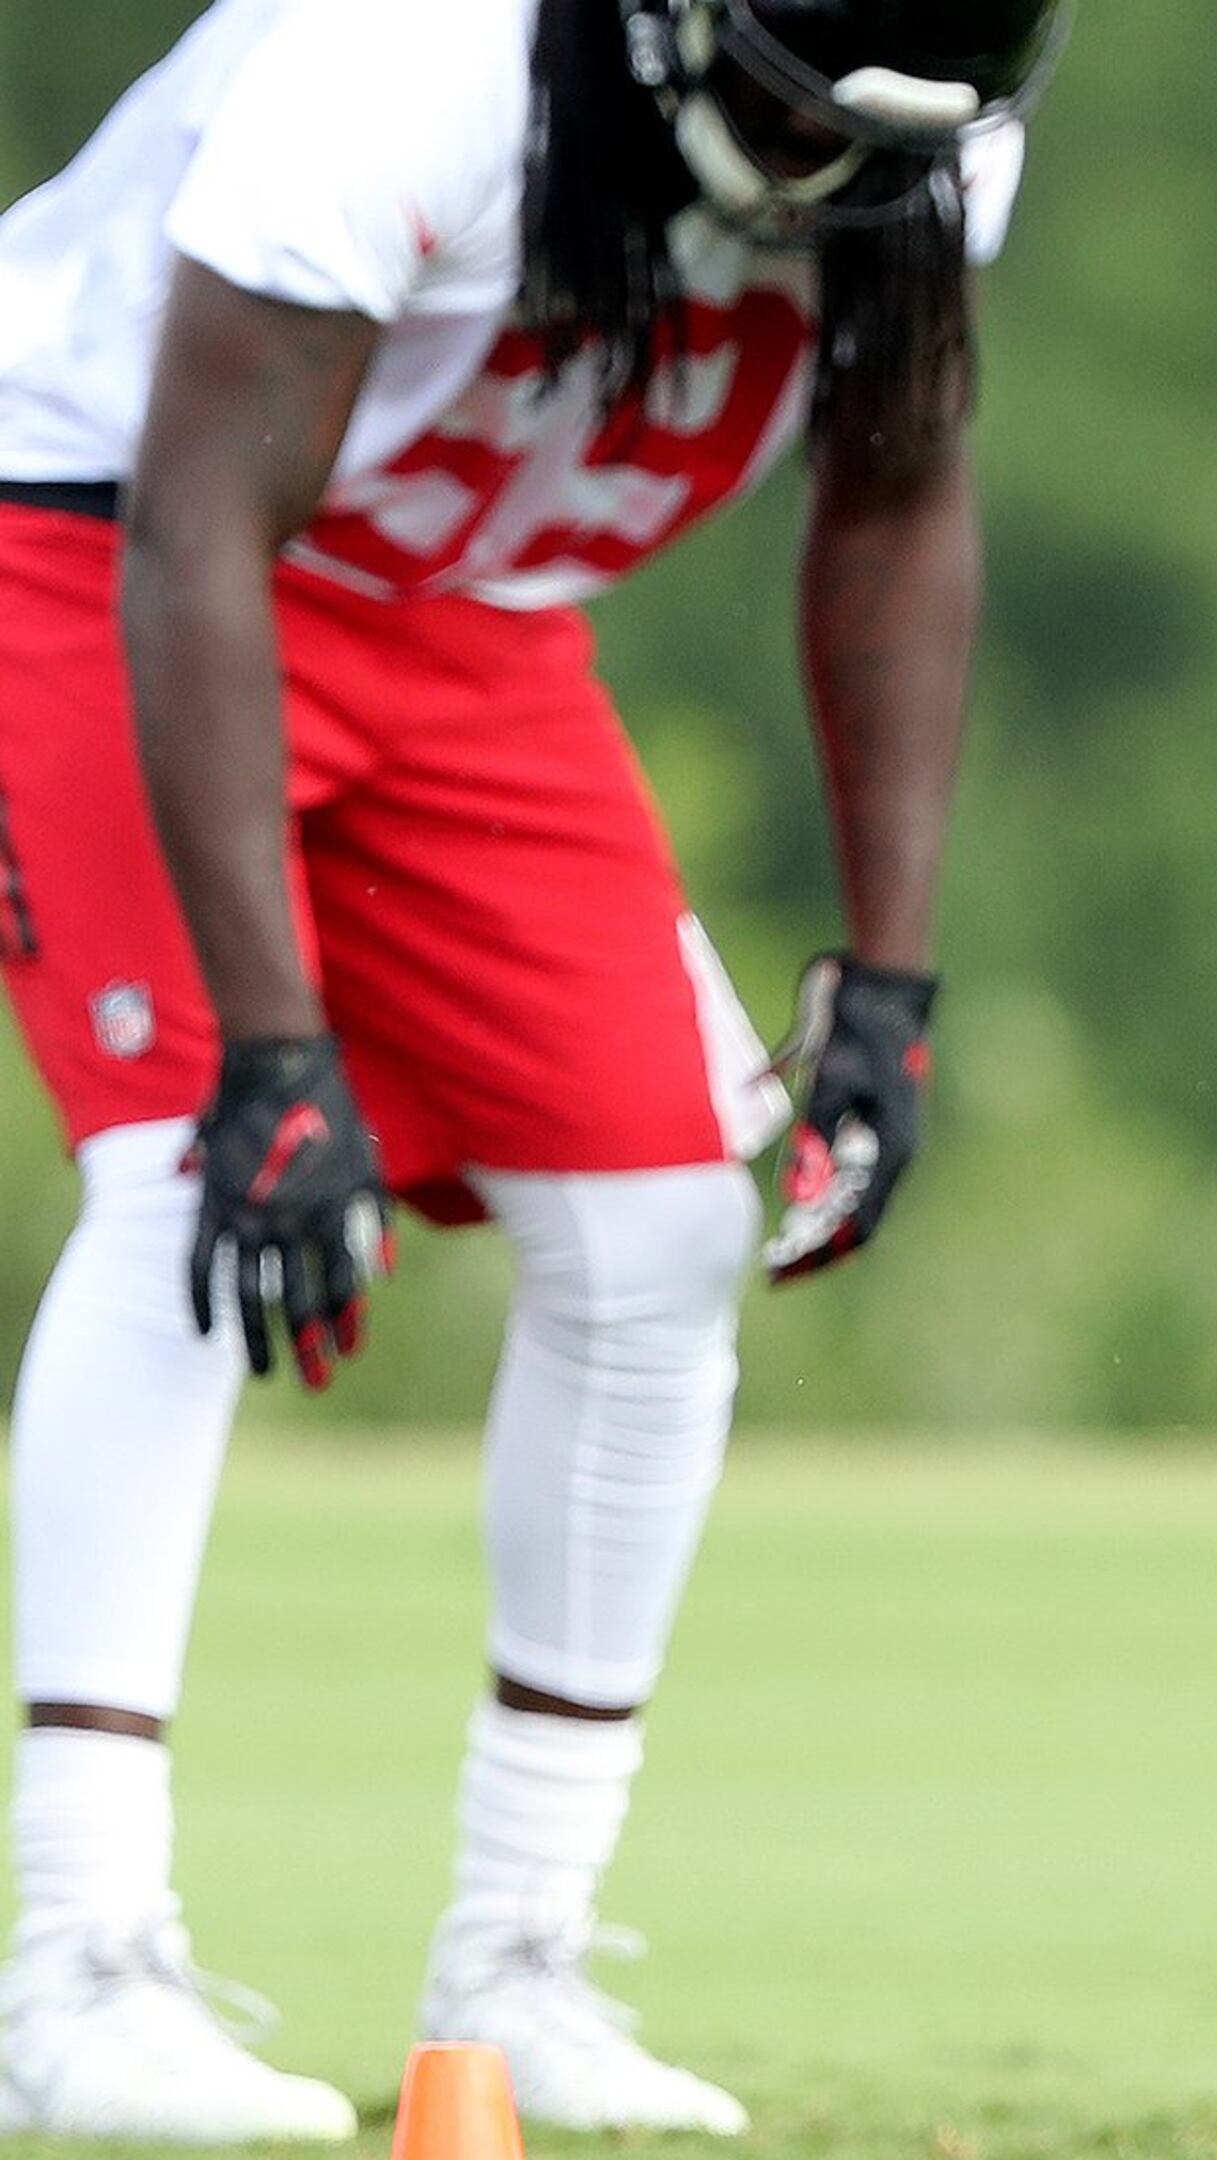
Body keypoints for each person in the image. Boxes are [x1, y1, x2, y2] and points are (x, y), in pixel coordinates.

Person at [0, 0, 1062, 2136]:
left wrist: (890, 966)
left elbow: (896, 493)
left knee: (664, 1227)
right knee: (178, 1181)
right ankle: (72, 1955)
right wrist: (279, 1053)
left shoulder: (924, 129)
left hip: (455, 608)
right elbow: (201, 519)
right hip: (97, 533)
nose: (826, 176)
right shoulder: (408, 61)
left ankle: (518, 1958)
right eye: (785, 113)